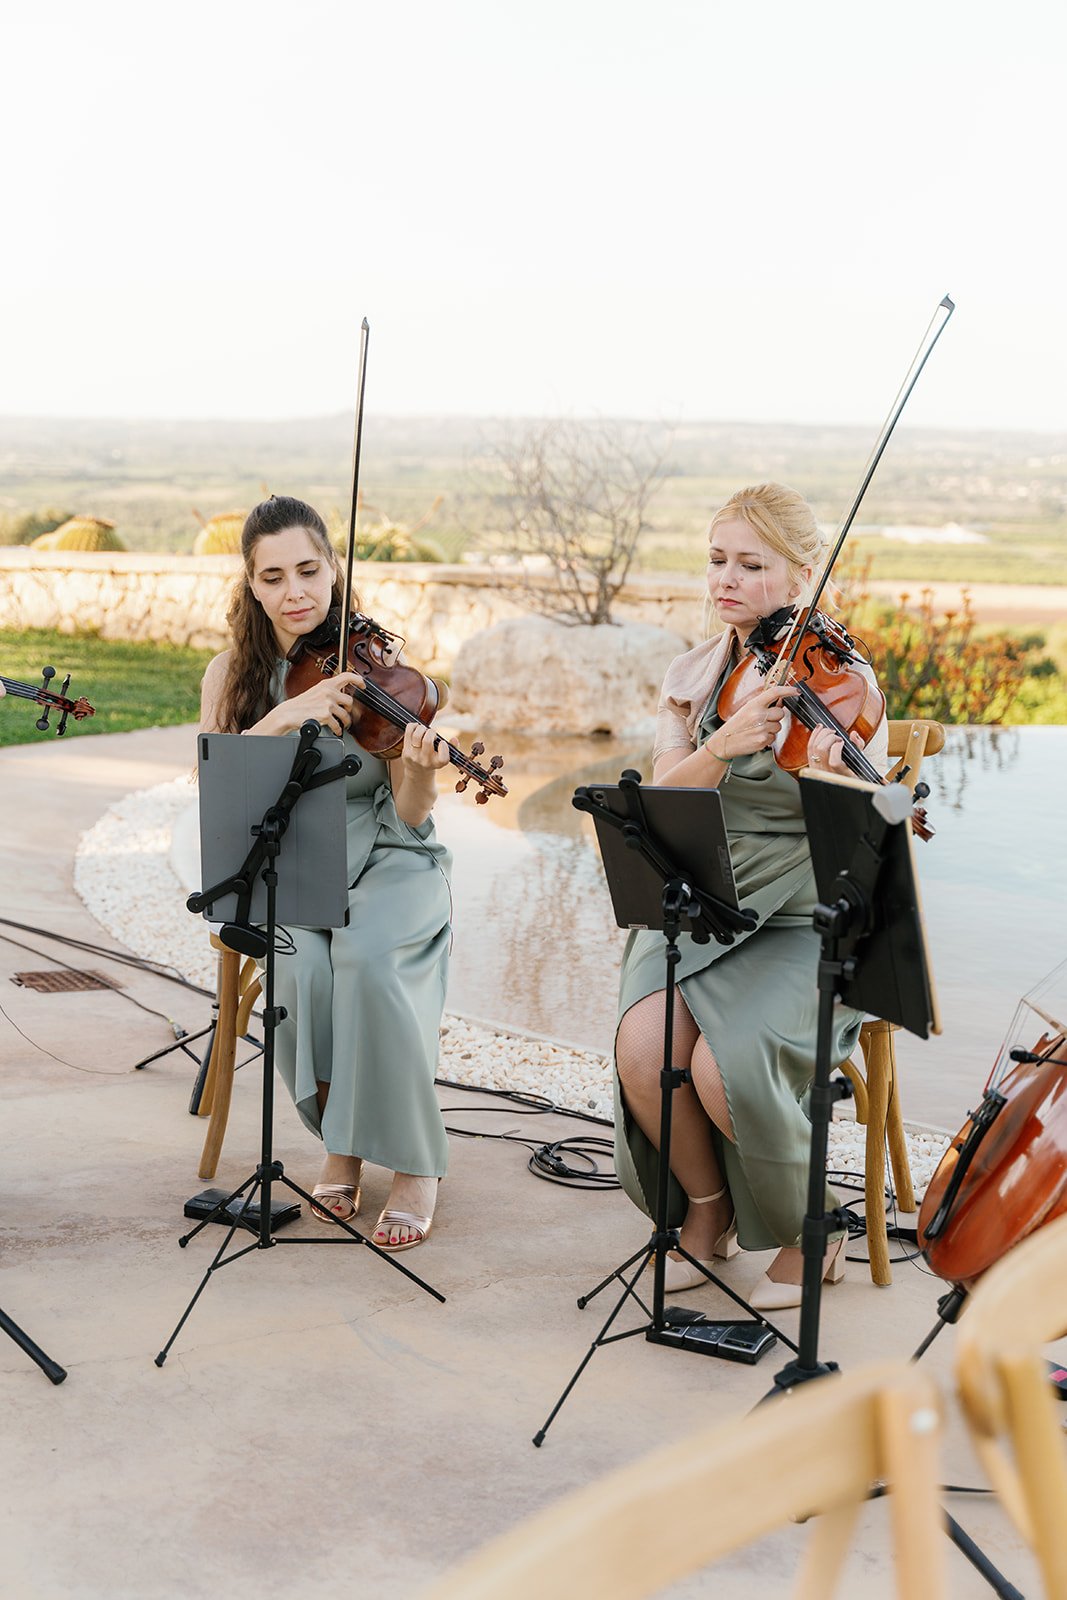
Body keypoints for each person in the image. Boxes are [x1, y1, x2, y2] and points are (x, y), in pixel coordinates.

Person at [613, 482, 889, 1310]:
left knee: (720, 1065)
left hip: (809, 907)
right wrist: (726, 744)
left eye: (750, 564)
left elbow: (854, 831)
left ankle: (815, 1227)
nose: (724, 579)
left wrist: (840, 784)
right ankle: (709, 1206)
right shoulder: (698, 675)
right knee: (644, 1047)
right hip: (708, 890)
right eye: (716, 559)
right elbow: (665, 792)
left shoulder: (840, 681)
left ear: (801, 575)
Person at [199, 495, 452, 1251]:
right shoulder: (232, 674)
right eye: (273, 578)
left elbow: (407, 814)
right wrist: (290, 711)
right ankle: (340, 1145)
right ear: (252, 586)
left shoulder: (379, 672)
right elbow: (218, 789)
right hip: (295, 865)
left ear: (334, 569)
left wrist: (421, 772)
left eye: (309, 570)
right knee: (304, 967)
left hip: (389, 859)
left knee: (368, 961)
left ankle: (413, 1165)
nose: (295, 592)